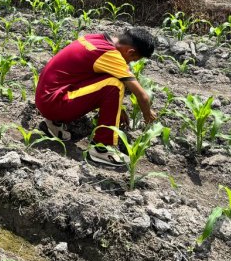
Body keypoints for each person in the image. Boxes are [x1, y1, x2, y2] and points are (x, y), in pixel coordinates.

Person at [35, 28, 156, 167]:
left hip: (46, 96)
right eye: (133, 60)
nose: (129, 64)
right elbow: (142, 96)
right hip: (53, 103)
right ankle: (101, 148)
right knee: (115, 85)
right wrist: (148, 115)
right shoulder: (111, 54)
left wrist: (116, 109)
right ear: (130, 52)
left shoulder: (96, 39)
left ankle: (53, 123)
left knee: (111, 81)